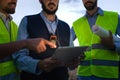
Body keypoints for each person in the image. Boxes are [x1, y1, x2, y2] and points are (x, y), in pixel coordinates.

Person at [13, 0, 73, 80]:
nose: (51, 1)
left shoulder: (66, 27)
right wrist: (38, 64)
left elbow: (71, 53)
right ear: (40, 1)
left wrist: (74, 60)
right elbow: (18, 57)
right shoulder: (27, 21)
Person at [0, 0, 56, 80]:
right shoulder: (26, 22)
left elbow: (18, 56)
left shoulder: (14, 26)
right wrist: (25, 43)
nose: (14, 1)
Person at [71, 0, 120, 80]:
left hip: (108, 75)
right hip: (84, 75)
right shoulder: (77, 24)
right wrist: (75, 54)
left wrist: (113, 46)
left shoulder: (114, 17)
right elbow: (67, 44)